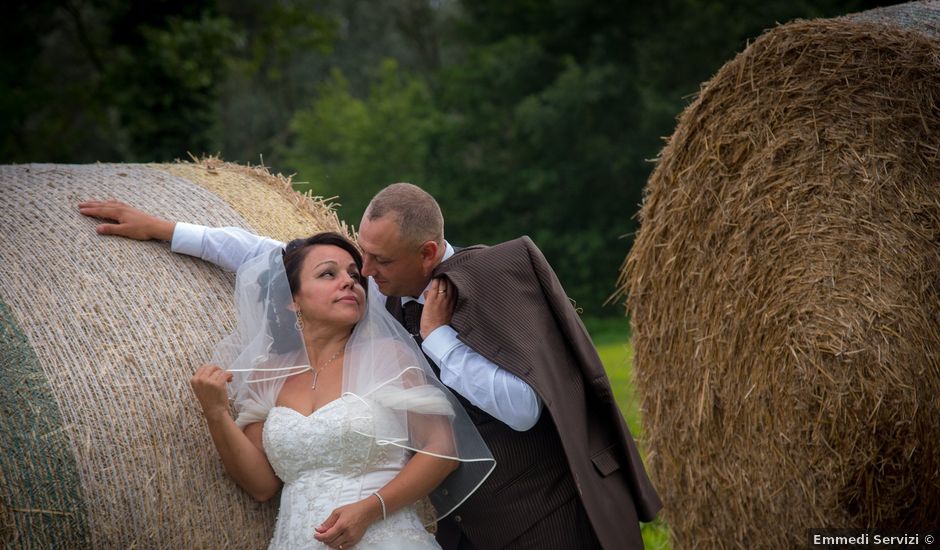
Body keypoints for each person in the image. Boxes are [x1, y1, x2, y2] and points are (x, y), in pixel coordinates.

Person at [80, 185, 661, 549]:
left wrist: (437, 341)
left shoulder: (493, 275)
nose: (362, 273)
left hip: (547, 507)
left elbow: (525, 406)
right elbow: (275, 258)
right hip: (458, 522)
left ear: (427, 254)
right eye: (357, 261)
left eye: (375, 262)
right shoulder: (377, 292)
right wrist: (167, 230)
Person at [183, 232, 494, 549]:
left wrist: (369, 510)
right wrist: (216, 413)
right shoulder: (268, 374)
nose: (350, 283)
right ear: (292, 299)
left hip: (384, 537)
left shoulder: (387, 356)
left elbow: (442, 452)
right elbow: (261, 486)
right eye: (328, 274)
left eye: (355, 276)